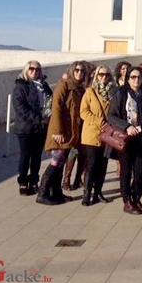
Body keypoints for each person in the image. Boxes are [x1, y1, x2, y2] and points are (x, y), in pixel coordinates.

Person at [37, 61, 86, 205]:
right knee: (56, 161)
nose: (79, 73)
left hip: (70, 131)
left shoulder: (78, 88)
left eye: (82, 71)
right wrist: (57, 130)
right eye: (76, 70)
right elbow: (56, 107)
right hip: (60, 131)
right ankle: (42, 192)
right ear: (72, 71)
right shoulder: (63, 84)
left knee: (61, 162)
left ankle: (56, 192)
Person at [109, 66, 142, 215]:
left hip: (140, 138)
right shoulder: (121, 93)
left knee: (139, 171)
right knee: (125, 171)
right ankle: (127, 201)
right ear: (128, 78)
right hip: (125, 138)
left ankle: (136, 198)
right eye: (133, 77)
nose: (136, 80)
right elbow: (111, 115)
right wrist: (127, 127)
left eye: (139, 77)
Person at [12, 61, 53, 196]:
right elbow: (20, 107)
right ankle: (23, 182)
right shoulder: (21, 86)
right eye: (31, 69)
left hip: (40, 128)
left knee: (36, 156)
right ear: (26, 70)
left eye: (37, 69)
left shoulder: (44, 85)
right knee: (25, 155)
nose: (34, 72)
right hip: (26, 128)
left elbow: (51, 101)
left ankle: (34, 181)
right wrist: (37, 118)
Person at [79, 65, 115, 206]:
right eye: (100, 74)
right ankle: (87, 193)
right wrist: (100, 121)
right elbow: (83, 112)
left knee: (103, 165)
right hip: (92, 134)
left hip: (107, 135)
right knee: (92, 164)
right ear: (96, 76)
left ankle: (98, 192)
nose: (103, 77)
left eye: (106, 75)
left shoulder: (113, 92)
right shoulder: (90, 92)